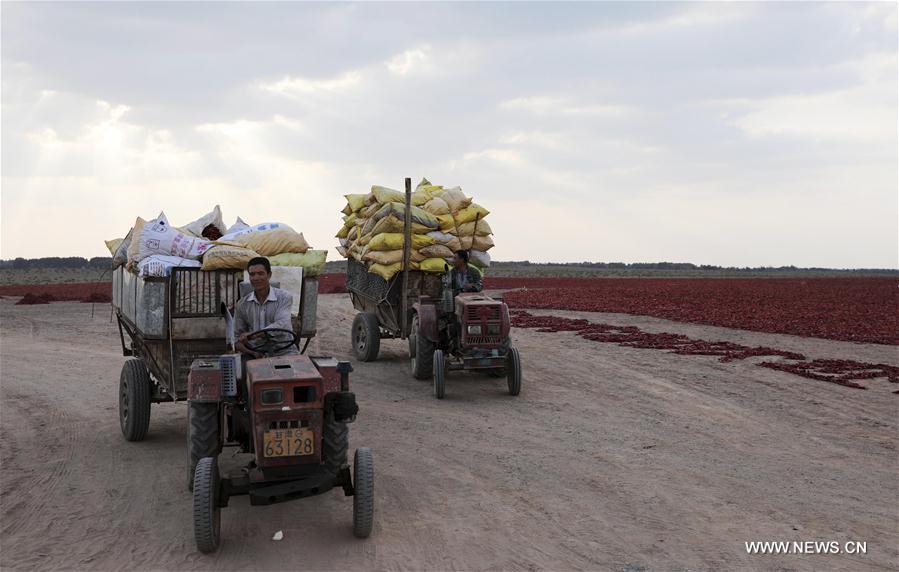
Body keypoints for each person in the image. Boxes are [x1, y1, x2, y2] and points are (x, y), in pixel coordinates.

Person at [234, 256, 298, 357]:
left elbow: (282, 324)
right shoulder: (242, 304)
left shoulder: (284, 297)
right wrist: (253, 353)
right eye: (252, 274)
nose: (256, 278)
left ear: (269, 275)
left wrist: (252, 335)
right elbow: (237, 338)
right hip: (256, 352)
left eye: (260, 273)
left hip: (285, 350)